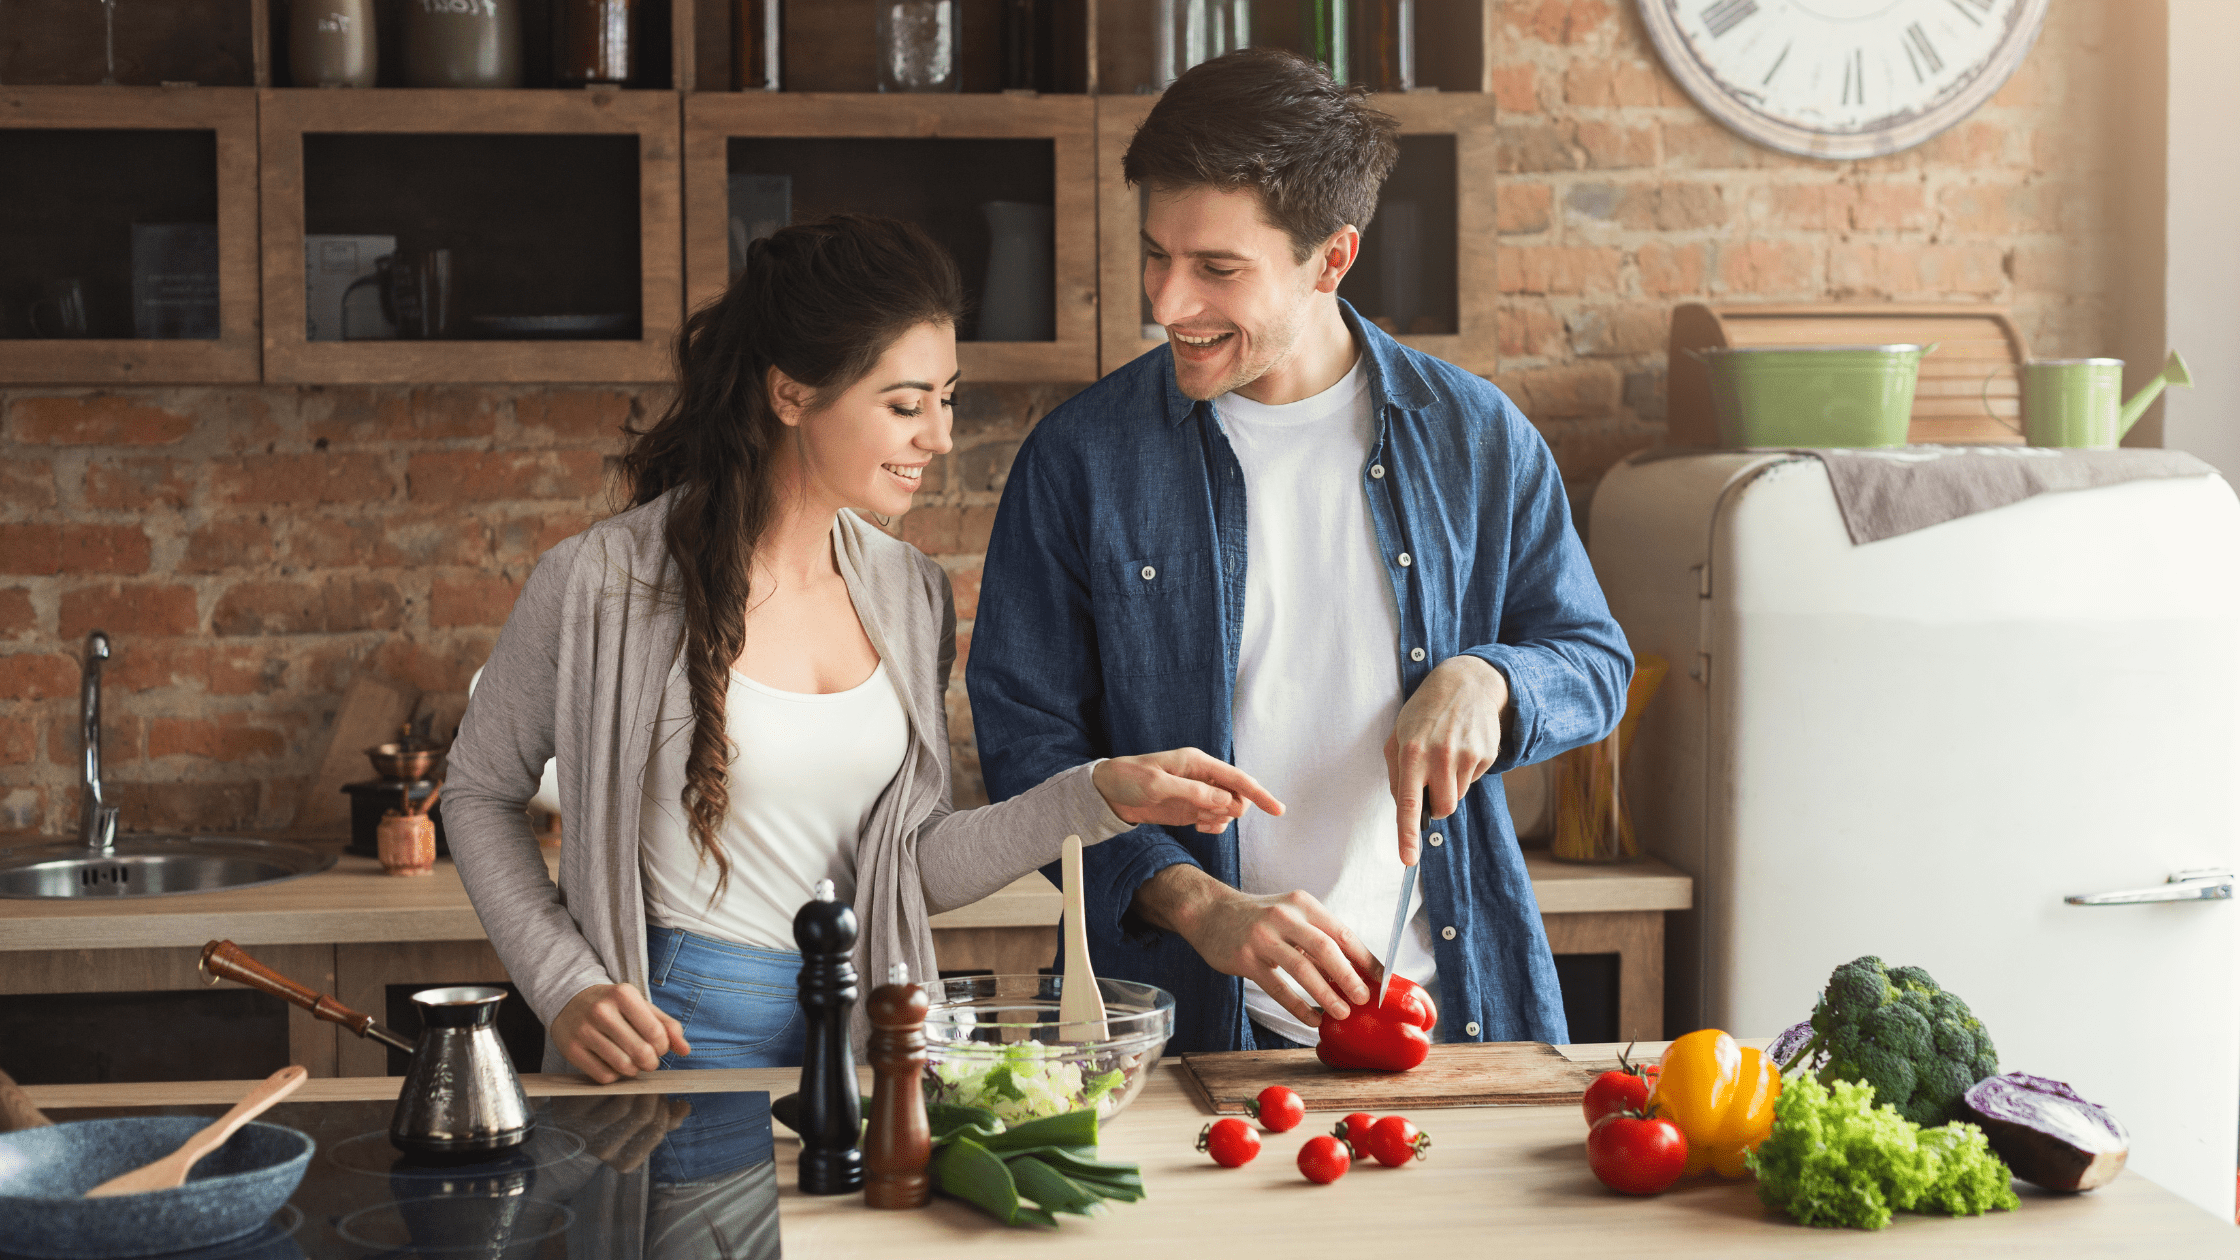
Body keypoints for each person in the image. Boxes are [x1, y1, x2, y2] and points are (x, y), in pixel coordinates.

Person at [444, 215, 1279, 1082]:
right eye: (906, 404)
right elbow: (476, 793)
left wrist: (1096, 794)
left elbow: (907, 867)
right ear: (792, 395)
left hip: (865, 1037)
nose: (941, 437)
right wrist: (563, 983)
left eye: (946, 399)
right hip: (672, 1035)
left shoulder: (909, 593)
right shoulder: (600, 583)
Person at [967, 50, 1634, 1054]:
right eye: (1155, 254)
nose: (1165, 303)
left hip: (1445, 1016)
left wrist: (1487, 680)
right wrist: (1194, 903)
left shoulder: (1475, 439)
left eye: (1217, 270)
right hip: (1180, 1030)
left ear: (1331, 259)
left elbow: (1592, 662)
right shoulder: (1080, 460)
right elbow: (1027, 748)